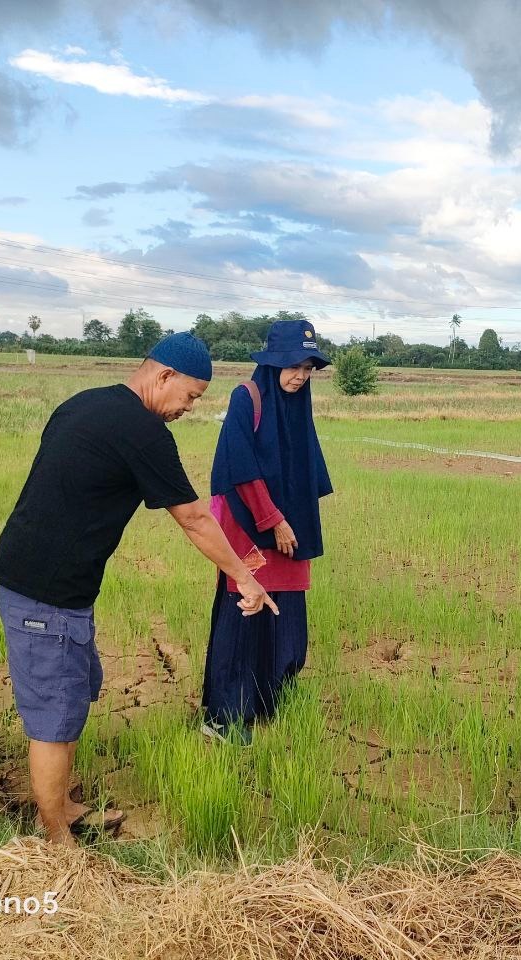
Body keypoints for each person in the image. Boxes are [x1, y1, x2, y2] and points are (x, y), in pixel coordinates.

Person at [0, 333, 276, 847]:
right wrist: (244, 575)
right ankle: (55, 837)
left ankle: (63, 807)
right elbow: (192, 517)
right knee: (55, 712)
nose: (188, 409)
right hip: (45, 593)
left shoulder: (86, 404)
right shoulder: (142, 431)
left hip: (56, 587)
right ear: (163, 376)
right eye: (190, 396)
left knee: (73, 695)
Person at [202, 318, 333, 744]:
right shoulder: (247, 398)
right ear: (273, 362)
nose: (300, 375)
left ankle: (273, 701)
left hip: (292, 534)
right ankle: (225, 717)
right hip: (251, 530)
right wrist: (272, 519)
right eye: (294, 365)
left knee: (288, 621)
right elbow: (239, 466)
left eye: (309, 367)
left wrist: (293, 522)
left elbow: (305, 468)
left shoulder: (298, 403)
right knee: (245, 617)